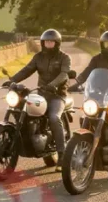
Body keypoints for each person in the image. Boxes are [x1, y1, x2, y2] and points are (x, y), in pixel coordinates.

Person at [4, 29, 71, 172]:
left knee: (53, 118)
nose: (48, 44)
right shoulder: (38, 57)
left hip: (58, 95)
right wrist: (12, 81)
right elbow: (27, 70)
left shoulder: (64, 57)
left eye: (51, 42)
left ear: (57, 43)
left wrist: (53, 85)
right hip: (41, 94)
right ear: (42, 43)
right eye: (46, 42)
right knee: (23, 110)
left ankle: (62, 155)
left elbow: (64, 74)